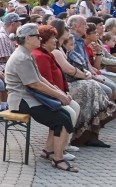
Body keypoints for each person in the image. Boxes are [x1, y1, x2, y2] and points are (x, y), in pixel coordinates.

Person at [5, 23, 76, 171]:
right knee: (61, 120)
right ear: (28, 38)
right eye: (37, 36)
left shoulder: (27, 53)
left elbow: (40, 78)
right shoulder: (22, 57)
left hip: (28, 98)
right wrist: (59, 96)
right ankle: (58, 158)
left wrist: (59, 93)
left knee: (63, 115)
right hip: (21, 101)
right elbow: (35, 84)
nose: (40, 38)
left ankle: (49, 151)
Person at [41, 23, 116, 148]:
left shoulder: (62, 48)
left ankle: (91, 132)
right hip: (63, 86)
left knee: (92, 88)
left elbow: (80, 66)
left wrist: (87, 74)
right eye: (66, 29)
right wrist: (85, 75)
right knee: (91, 87)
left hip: (68, 83)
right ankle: (83, 133)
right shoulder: (56, 51)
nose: (68, 30)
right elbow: (69, 70)